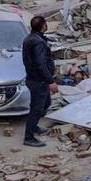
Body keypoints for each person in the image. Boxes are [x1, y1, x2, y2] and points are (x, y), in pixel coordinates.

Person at [22, 16, 58, 147]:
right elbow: (40, 64)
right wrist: (50, 81)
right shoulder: (38, 42)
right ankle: (29, 137)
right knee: (36, 109)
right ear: (43, 26)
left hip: (33, 78)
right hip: (39, 81)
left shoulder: (30, 38)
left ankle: (34, 126)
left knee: (46, 103)